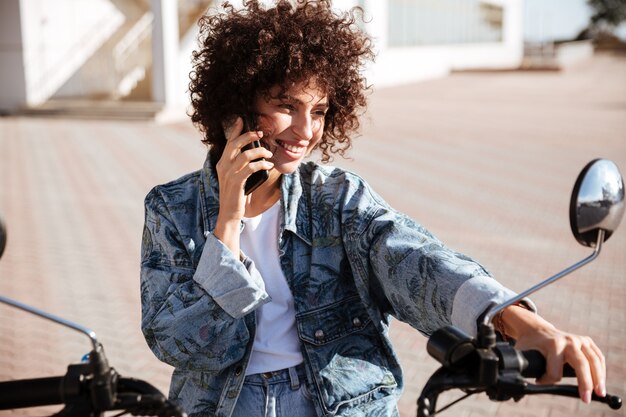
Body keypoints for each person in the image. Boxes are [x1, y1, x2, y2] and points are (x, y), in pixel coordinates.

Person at [140, 1, 606, 416]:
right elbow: (176, 341)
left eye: (319, 110)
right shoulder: (172, 209)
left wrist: (519, 321)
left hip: (341, 405)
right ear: (236, 107)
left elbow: (417, 262)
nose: (306, 130)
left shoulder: (337, 199)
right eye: (286, 105)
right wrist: (228, 223)